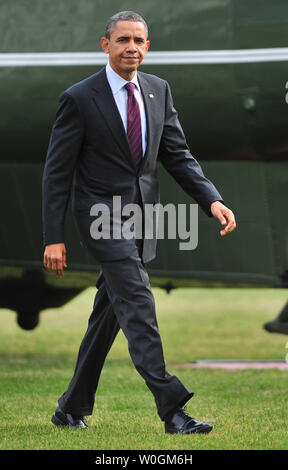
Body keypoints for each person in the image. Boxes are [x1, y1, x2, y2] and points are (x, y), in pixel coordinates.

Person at [42, 11, 236, 434]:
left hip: (143, 219)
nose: (132, 47)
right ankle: (173, 409)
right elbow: (57, 174)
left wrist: (212, 200)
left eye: (139, 40)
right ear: (105, 44)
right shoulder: (78, 98)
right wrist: (53, 237)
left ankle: (70, 407)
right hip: (101, 219)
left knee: (109, 314)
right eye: (123, 39)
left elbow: (177, 155)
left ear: (147, 46)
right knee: (138, 303)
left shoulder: (157, 91)